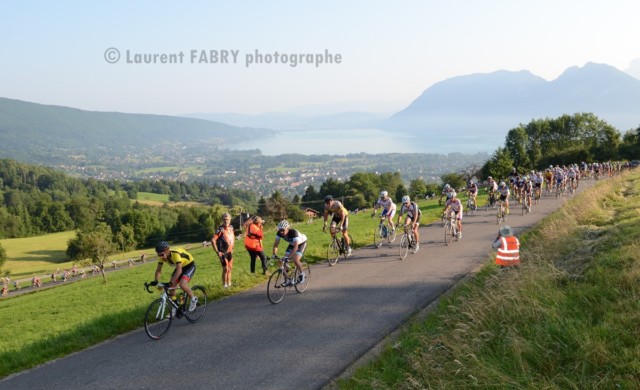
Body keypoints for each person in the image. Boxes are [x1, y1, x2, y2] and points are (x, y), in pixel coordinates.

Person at [153, 241, 198, 312]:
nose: (161, 257)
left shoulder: (175, 254)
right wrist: (155, 281)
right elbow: (158, 270)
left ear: (167, 250)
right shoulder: (161, 257)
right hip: (180, 267)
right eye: (159, 255)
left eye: (162, 254)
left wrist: (170, 282)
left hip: (189, 265)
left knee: (182, 284)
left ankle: (193, 299)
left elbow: (179, 271)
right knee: (171, 288)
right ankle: (175, 306)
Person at [271, 220, 308, 286]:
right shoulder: (279, 233)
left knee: (295, 260)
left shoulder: (293, 232)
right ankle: (287, 279)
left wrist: (289, 257)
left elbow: (296, 247)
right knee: (283, 261)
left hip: (301, 243)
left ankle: (302, 273)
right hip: (292, 244)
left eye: (283, 230)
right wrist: (274, 254)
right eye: (280, 230)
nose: (281, 232)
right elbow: (276, 245)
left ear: (287, 228)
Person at [212, 212, 235, 288]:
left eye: (227, 219)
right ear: (222, 220)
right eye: (224, 219)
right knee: (225, 269)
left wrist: (233, 247)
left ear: (230, 219)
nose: (226, 221)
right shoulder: (220, 229)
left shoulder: (231, 227)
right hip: (222, 252)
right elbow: (213, 240)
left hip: (230, 251)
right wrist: (217, 251)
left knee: (230, 268)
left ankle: (229, 284)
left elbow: (233, 237)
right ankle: (224, 285)